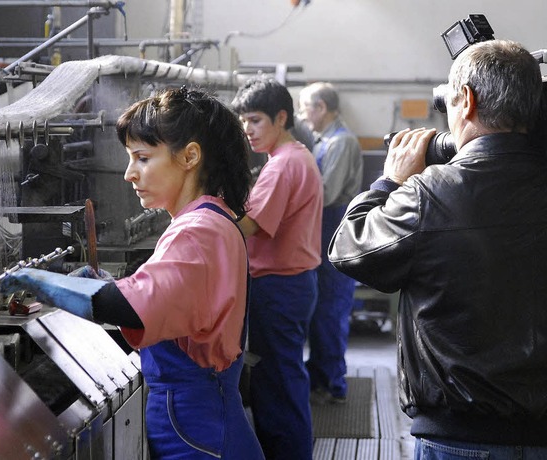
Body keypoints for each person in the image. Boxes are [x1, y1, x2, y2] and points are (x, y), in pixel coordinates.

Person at [2, 86, 265, 460]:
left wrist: (36, 280)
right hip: (198, 423)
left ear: (190, 156)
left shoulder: (199, 231)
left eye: (142, 158)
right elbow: (171, 303)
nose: (129, 174)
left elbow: (125, 307)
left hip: (200, 436)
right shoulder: (208, 220)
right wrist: (108, 284)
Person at [329, 39, 547, 459]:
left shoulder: (429, 193)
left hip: (459, 438)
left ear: (465, 100)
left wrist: (389, 182)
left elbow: (348, 247)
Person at [231, 76, 323, 460]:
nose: (247, 130)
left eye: (255, 120)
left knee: (278, 388)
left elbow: (248, 227)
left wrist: (194, 220)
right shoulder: (296, 157)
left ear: (281, 117)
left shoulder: (281, 166)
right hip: (293, 284)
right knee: (283, 381)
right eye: (243, 121)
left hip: (279, 288)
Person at [298, 82, 363, 404]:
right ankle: (319, 377)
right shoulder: (324, 141)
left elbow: (325, 193)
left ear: (321, 107)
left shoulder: (342, 142)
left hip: (334, 231)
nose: (302, 114)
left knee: (331, 311)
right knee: (320, 310)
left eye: (305, 106)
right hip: (320, 233)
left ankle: (332, 384)